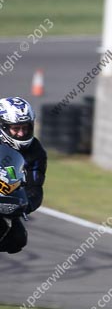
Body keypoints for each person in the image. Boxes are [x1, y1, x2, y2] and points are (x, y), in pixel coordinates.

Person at [0, 97, 47, 254]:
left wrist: (25, 206)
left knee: (18, 239)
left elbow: (35, 187)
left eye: (25, 128)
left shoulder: (35, 151)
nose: (21, 133)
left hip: (6, 199)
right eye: (16, 128)